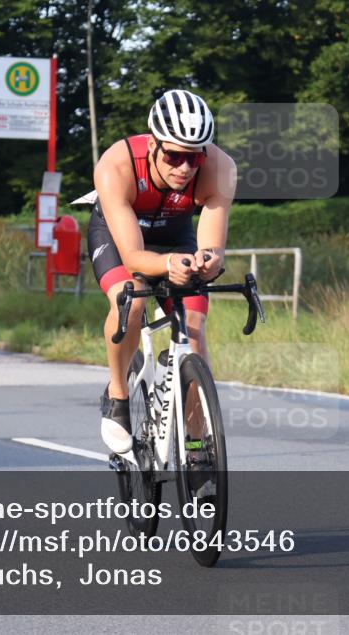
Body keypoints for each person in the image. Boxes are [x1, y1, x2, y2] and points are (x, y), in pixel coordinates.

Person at [87, 89, 236, 454]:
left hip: (175, 235)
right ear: (153, 144)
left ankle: (197, 445)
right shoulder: (116, 165)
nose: (184, 168)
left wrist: (209, 261)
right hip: (120, 237)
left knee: (193, 328)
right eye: (174, 156)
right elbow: (134, 257)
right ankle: (117, 395)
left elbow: (212, 246)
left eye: (194, 157)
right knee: (130, 303)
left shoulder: (221, 169)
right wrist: (168, 264)